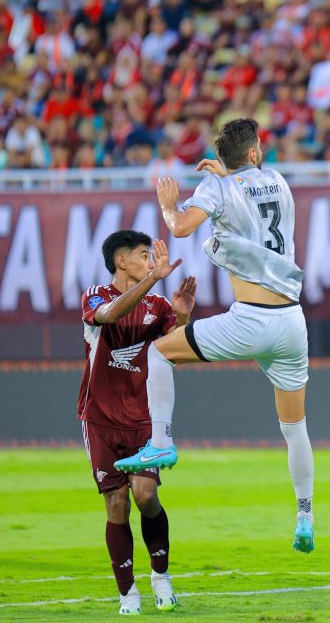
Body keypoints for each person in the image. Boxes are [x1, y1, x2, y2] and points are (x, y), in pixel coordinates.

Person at [113, 118, 316, 554]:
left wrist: (169, 204)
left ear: (222, 158)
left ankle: (161, 443)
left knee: (158, 354)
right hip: (292, 322)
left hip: (252, 320)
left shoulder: (217, 188)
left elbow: (181, 227)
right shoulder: (278, 181)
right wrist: (227, 175)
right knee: (294, 428)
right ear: (255, 153)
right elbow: (248, 192)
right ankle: (305, 514)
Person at [79, 231, 195, 614]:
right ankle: (127, 593)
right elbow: (110, 315)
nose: (151, 261)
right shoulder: (95, 295)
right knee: (116, 505)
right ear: (121, 261)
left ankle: (161, 578)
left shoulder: (158, 306)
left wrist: (182, 316)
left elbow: (177, 350)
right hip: (100, 418)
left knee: (145, 496)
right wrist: (152, 280)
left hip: (145, 418)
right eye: (144, 255)